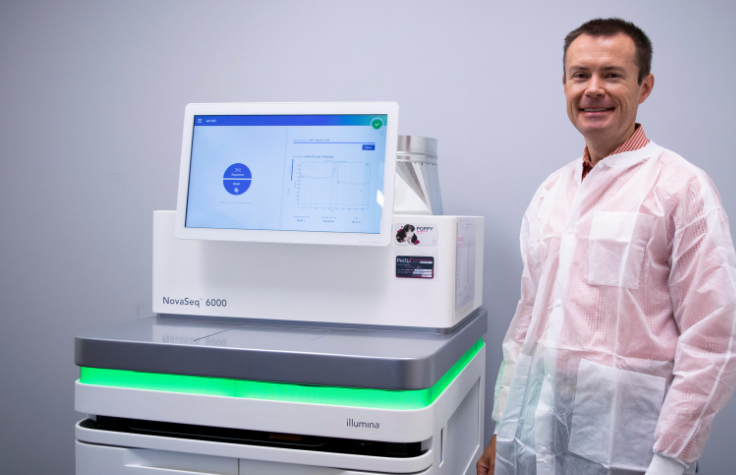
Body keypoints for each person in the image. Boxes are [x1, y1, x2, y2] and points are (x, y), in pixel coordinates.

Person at [477, 18, 736, 475]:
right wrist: (503, 428)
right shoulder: (550, 193)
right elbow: (526, 328)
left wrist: (671, 460)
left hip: (636, 453)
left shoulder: (683, 187)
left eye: (612, 75)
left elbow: (713, 340)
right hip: (535, 440)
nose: (593, 89)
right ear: (564, 85)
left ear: (645, 85)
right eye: (580, 75)